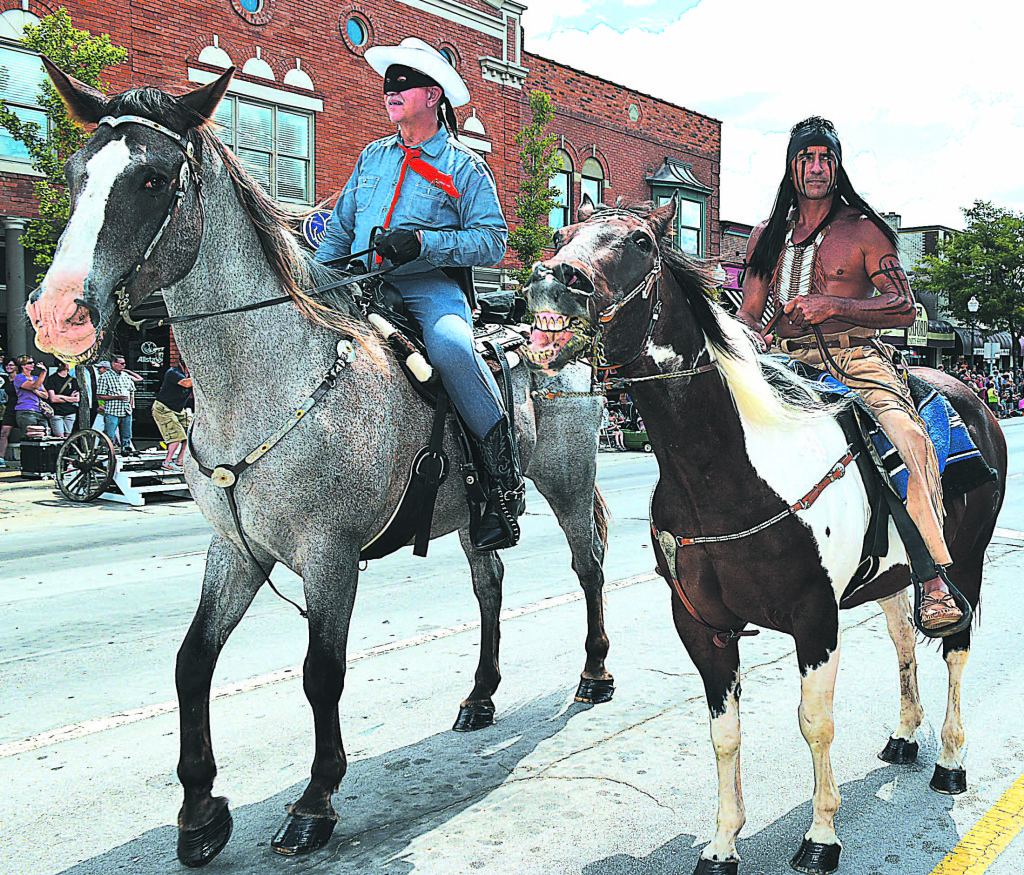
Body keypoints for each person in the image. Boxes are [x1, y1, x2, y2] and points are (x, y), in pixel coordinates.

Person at [737, 116, 962, 632]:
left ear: (837, 166)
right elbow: (751, 313)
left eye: (826, 159)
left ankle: (930, 578)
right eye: (807, 158)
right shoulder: (765, 237)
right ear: (792, 165)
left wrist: (830, 304)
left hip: (857, 361)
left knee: (905, 439)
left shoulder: (863, 230)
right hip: (785, 363)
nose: (816, 168)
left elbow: (903, 307)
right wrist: (742, 337)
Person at [314, 37, 522, 551]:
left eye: (404, 82)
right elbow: (341, 228)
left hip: (428, 288)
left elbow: (493, 240)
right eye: (388, 82)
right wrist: (313, 278)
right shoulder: (371, 157)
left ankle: (500, 486)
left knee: (452, 349)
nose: (391, 89)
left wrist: (425, 243)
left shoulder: (464, 168)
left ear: (433, 96)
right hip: (361, 281)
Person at [97, 355, 142, 454]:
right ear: (114, 364)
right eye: (121, 363)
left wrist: (130, 404)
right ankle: (110, 451)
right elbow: (100, 396)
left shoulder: (125, 376)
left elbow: (132, 391)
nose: (124, 365)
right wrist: (116, 397)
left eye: (124, 363)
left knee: (127, 434)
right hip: (113, 410)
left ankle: (126, 449)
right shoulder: (105, 377)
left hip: (126, 410)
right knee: (110, 433)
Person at [152, 364, 193, 469]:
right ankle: (167, 462)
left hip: (179, 409)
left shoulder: (190, 374)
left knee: (190, 433)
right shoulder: (173, 373)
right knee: (176, 436)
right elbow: (187, 383)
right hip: (164, 408)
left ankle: (180, 459)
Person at [12, 355, 50, 437]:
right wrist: (43, 372)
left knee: (44, 437)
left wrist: (34, 391)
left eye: (33, 362)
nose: (33, 364)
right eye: (30, 363)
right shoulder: (19, 377)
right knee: (29, 438)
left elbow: (46, 395)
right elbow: (35, 386)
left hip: (39, 410)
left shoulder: (36, 378)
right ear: (23, 365)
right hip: (26, 410)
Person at [45, 360, 80, 438]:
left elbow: (77, 399)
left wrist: (60, 396)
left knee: (69, 436)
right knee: (59, 436)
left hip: (70, 411)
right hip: (57, 411)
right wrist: (70, 398)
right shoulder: (52, 379)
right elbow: (53, 399)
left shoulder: (73, 380)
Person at [0, 357, 18, 467]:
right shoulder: (6, 380)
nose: (9, 367)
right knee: (4, 432)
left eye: (11, 365)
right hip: (10, 407)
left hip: (22, 406)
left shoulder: (21, 378)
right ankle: (1, 457)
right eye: (7, 365)